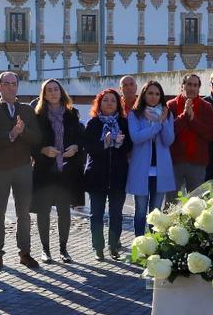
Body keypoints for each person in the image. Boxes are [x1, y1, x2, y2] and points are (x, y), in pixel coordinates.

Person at [0, 71, 42, 271]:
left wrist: (22, 132)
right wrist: (10, 134)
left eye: (14, 84)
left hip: (23, 168)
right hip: (0, 169)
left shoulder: (27, 110)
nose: (10, 87)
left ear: (17, 87)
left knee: (24, 213)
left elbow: (36, 138)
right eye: (6, 84)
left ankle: (25, 253)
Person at [32, 79, 85, 263]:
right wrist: (42, 150)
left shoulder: (72, 114)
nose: (53, 93)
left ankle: (63, 249)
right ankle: (45, 250)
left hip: (66, 171)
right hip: (45, 170)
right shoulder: (37, 116)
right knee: (43, 211)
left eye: (56, 89)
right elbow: (31, 143)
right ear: (44, 95)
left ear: (61, 92)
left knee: (64, 211)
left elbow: (81, 138)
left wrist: (76, 147)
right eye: (49, 90)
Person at [83, 88, 132, 260]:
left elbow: (130, 147)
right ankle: (98, 247)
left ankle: (114, 246)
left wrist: (120, 143)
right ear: (99, 104)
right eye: (105, 100)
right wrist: (106, 142)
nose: (109, 103)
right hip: (96, 176)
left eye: (113, 100)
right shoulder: (93, 123)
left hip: (118, 176)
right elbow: (89, 148)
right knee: (96, 214)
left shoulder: (124, 123)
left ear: (118, 104)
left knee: (116, 215)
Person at [127, 80, 176, 236]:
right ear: (144, 94)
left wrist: (163, 121)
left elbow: (168, 140)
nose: (154, 97)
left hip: (160, 170)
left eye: (157, 94)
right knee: (141, 210)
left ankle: (154, 247)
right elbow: (136, 137)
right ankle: (139, 243)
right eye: (150, 93)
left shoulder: (166, 114)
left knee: (156, 212)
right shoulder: (135, 114)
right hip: (141, 169)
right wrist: (156, 126)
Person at [167, 73, 213, 193]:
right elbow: (168, 132)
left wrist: (193, 119)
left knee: (194, 203)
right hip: (174, 162)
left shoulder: (206, 107)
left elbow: (210, 134)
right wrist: (184, 116)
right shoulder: (171, 105)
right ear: (182, 86)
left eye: (195, 85)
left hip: (197, 163)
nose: (192, 88)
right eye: (189, 84)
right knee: (171, 201)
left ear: (199, 88)